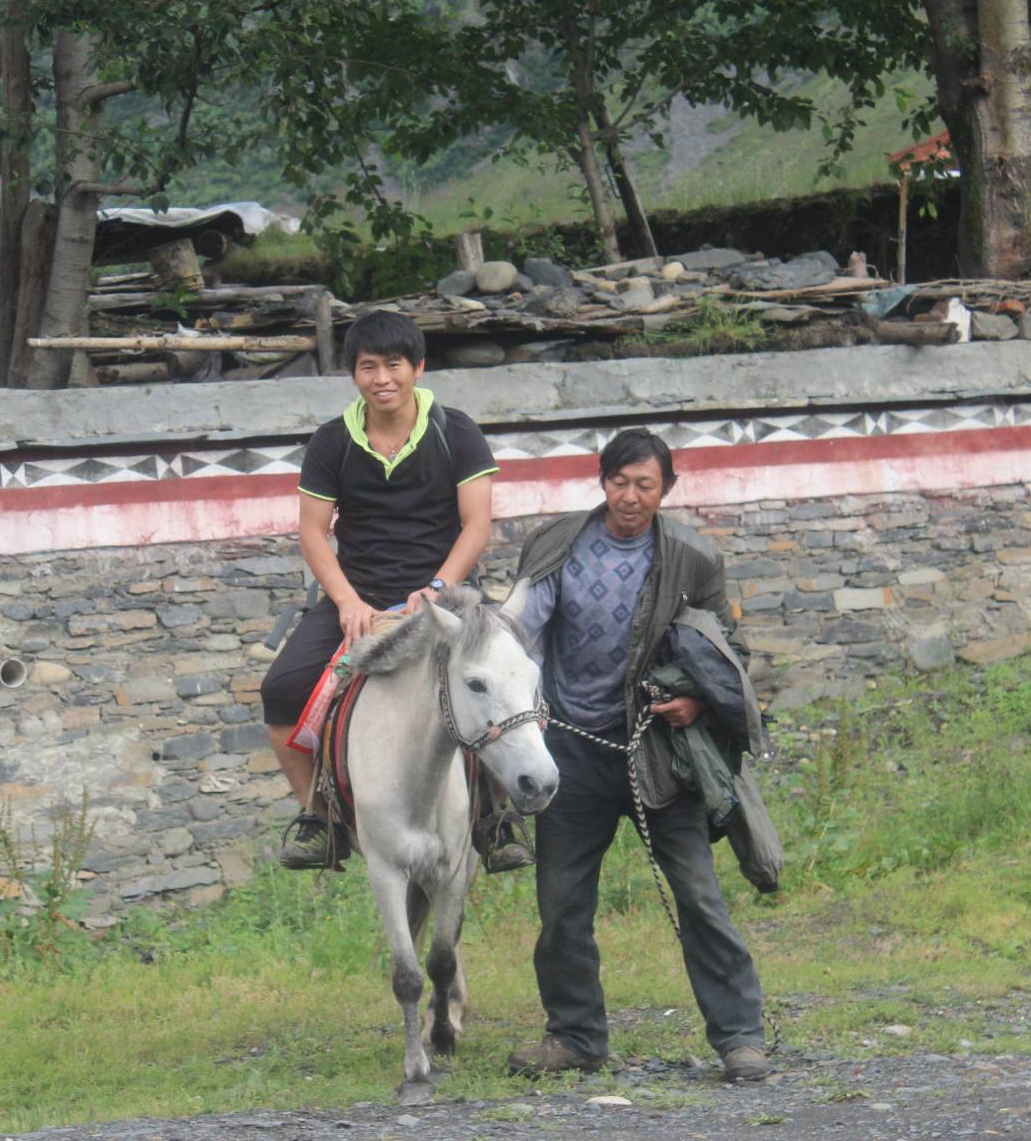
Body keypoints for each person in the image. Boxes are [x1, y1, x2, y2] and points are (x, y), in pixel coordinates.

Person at [507, 429, 771, 1083]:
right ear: (602, 482)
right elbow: (520, 628)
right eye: (619, 482)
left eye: (644, 485)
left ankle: (740, 1037)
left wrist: (698, 704)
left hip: (659, 753)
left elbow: (722, 650)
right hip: (572, 750)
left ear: (666, 490)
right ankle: (574, 1036)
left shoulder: (692, 558)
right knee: (562, 902)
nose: (630, 497)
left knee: (699, 896)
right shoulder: (557, 544)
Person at [260, 311, 510, 870]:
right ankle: (320, 818)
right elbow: (312, 531)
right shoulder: (332, 441)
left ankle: (497, 817)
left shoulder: (457, 431)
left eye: (393, 365)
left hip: (449, 593)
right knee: (281, 689)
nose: (382, 379)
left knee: (506, 682)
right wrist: (348, 601)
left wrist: (439, 588)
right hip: (360, 595)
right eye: (368, 367)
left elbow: (476, 525)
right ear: (353, 375)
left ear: (417, 368)